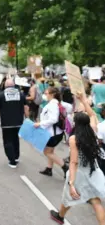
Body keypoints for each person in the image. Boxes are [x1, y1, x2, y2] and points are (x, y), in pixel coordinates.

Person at [50, 94, 105, 225]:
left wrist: (72, 184)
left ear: (77, 124)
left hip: (80, 173)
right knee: (95, 201)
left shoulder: (74, 139)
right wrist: (83, 101)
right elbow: (92, 115)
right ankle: (60, 215)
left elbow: (74, 163)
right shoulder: (94, 130)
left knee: (68, 196)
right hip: (94, 170)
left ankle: (60, 216)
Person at [0, 79, 29, 168]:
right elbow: (26, 107)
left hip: (6, 123)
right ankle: (16, 157)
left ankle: (12, 161)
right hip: (19, 122)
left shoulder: (1, 95)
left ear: (5, 86)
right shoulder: (20, 94)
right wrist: (27, 117)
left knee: (8, 141)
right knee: (15, 139)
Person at [34, 87, 68, 177]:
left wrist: (40, 124)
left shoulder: (53, 105)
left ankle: (65, 167)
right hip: (57, 132)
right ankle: (49, 169)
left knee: (47, 152)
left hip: (53, 134)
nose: (45, 95)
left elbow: (53, 119)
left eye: (46, 93)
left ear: (52, 95)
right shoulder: (56, 103)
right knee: (51, 151)